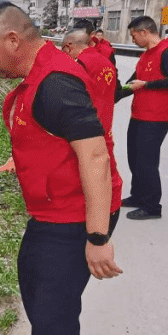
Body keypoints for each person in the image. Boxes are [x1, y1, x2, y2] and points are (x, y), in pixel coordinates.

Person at [0, 1, 122, 335]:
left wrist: (97, 237)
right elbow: (57, 135)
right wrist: (26, 158)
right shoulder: (40, 74)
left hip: (74, 217)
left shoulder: (55, 82)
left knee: (50, 302)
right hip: (56, 212)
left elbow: (93, 157)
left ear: (12, 40)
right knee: (39, 283)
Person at [118, 15, 168, 220]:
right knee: (134, 157)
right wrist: (112, 95)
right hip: (139, 113)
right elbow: (133, 82)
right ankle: (138, 196)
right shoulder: (146, 55)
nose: (133, 40)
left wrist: (147, 85)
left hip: (156, 117)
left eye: (133, 36)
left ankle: (152, 206)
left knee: (147, 161)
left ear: (144, 32)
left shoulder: (166, 53)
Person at [61, 29, 124, 225]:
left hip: (86, 133)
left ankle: (96, 222)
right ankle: (108, 211)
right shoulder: (106, 63)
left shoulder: (80, 65)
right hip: (105, 129)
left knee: (89, 177)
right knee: (107, 172)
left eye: (64, 51)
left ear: (69, 46)